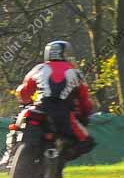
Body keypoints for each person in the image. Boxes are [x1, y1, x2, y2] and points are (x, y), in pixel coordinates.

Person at [1, 40, 95, 170]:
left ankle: (9, 155)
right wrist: (85, 115)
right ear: (66, 55)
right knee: (87, 141)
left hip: (38, 109)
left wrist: (27, 103)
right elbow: (85, 100)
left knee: (17, 123)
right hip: (63, 116)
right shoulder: (76, 73)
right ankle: (58, 160)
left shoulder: (38, 68)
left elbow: (22, 92)